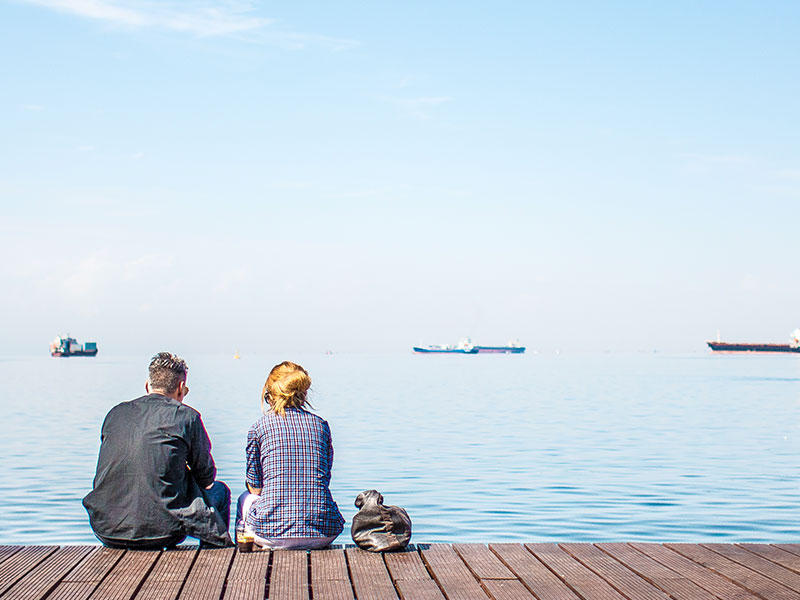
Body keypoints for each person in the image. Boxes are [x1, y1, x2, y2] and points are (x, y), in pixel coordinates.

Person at [83, 352, 232, 549]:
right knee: (220, 491)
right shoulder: (187, 417)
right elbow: (206, 478)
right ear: (181, 388)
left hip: (106, 529)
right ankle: (211, 556)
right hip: (162, 533)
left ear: (148, 386)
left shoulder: (115, 413)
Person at [236, 361, 344, 549]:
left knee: (245, 498)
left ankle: (243, 549)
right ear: (303, 394)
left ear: (270, 394)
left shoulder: (259, 427)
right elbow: (324, 477)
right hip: (323, 533)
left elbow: (255, 489)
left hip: (271, 534)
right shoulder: (321, 426)